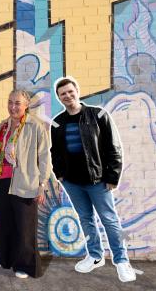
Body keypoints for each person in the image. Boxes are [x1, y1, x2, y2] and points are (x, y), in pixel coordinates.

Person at [50, 77, 136, 282]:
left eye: (71, 91)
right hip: (72, 181)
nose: (68, 96)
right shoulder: (57, 123)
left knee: (109, 219)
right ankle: (95, 255)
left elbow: (114, 147)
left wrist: (113, 176)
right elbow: (55, 153)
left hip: (98, 180)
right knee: (86, 219)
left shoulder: (98, 115)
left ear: (77, 91)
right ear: (59, 98)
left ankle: (122, 260)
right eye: (63, 94)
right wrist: (60, 174)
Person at [0, 90, 50, 278]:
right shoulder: (2, 126)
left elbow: (44, 157)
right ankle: (4, 258)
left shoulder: (35, 126)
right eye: (10, 102)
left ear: (26, 105)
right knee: (4, 223)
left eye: (17, 103)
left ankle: (25, 265)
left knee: (24, 226)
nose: (13, 107)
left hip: (25, 181)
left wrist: (41, 185)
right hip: (3, 180)